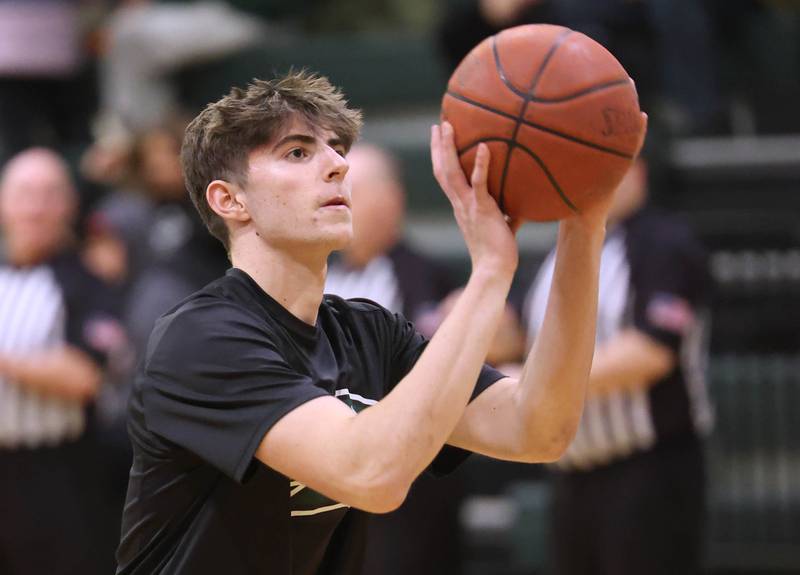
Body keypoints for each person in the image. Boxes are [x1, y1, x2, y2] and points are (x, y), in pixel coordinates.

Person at [115, 70, 644, 575]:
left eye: (337, 149)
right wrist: (490, 271)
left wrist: (584, 223)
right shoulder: (202, 338)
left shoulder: (369, 333)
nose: (337, 165)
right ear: (230, 200)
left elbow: (538, 428)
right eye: (298, 152)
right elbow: (370, 474)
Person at [522, 157, 713, 574]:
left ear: (638, 172)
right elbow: (520, 336)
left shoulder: (665, 242)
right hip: (572, 474)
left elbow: (650, 352)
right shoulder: (558, 250)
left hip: (649, 470)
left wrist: (537, 381)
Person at [0, 148, 127, 574]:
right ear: (3, 201)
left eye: (49, 195)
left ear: (69, 206)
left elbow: (83, 376)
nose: (36, 208)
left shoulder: (86, 281)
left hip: (61, 479)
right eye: (24, 194)